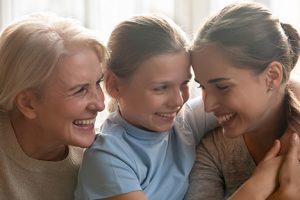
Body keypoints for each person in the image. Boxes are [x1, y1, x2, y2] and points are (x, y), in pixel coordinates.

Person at [74, 14, 216, 200]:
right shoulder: (108, 157)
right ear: (114, 86)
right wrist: (261, 178)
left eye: (184, 84)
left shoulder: (184, 123)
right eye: (160, 88)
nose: (178, 101)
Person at [184, 2, 300, 199]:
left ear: (271, 76)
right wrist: (253, 190)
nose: (208, 105)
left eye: (222, 87)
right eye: (202, 86)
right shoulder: (213, 151)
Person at [0, 13, 107, 200]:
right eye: (80, 90)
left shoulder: (105, 160)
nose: (100, 104)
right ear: (28, 103)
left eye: (98, 82)